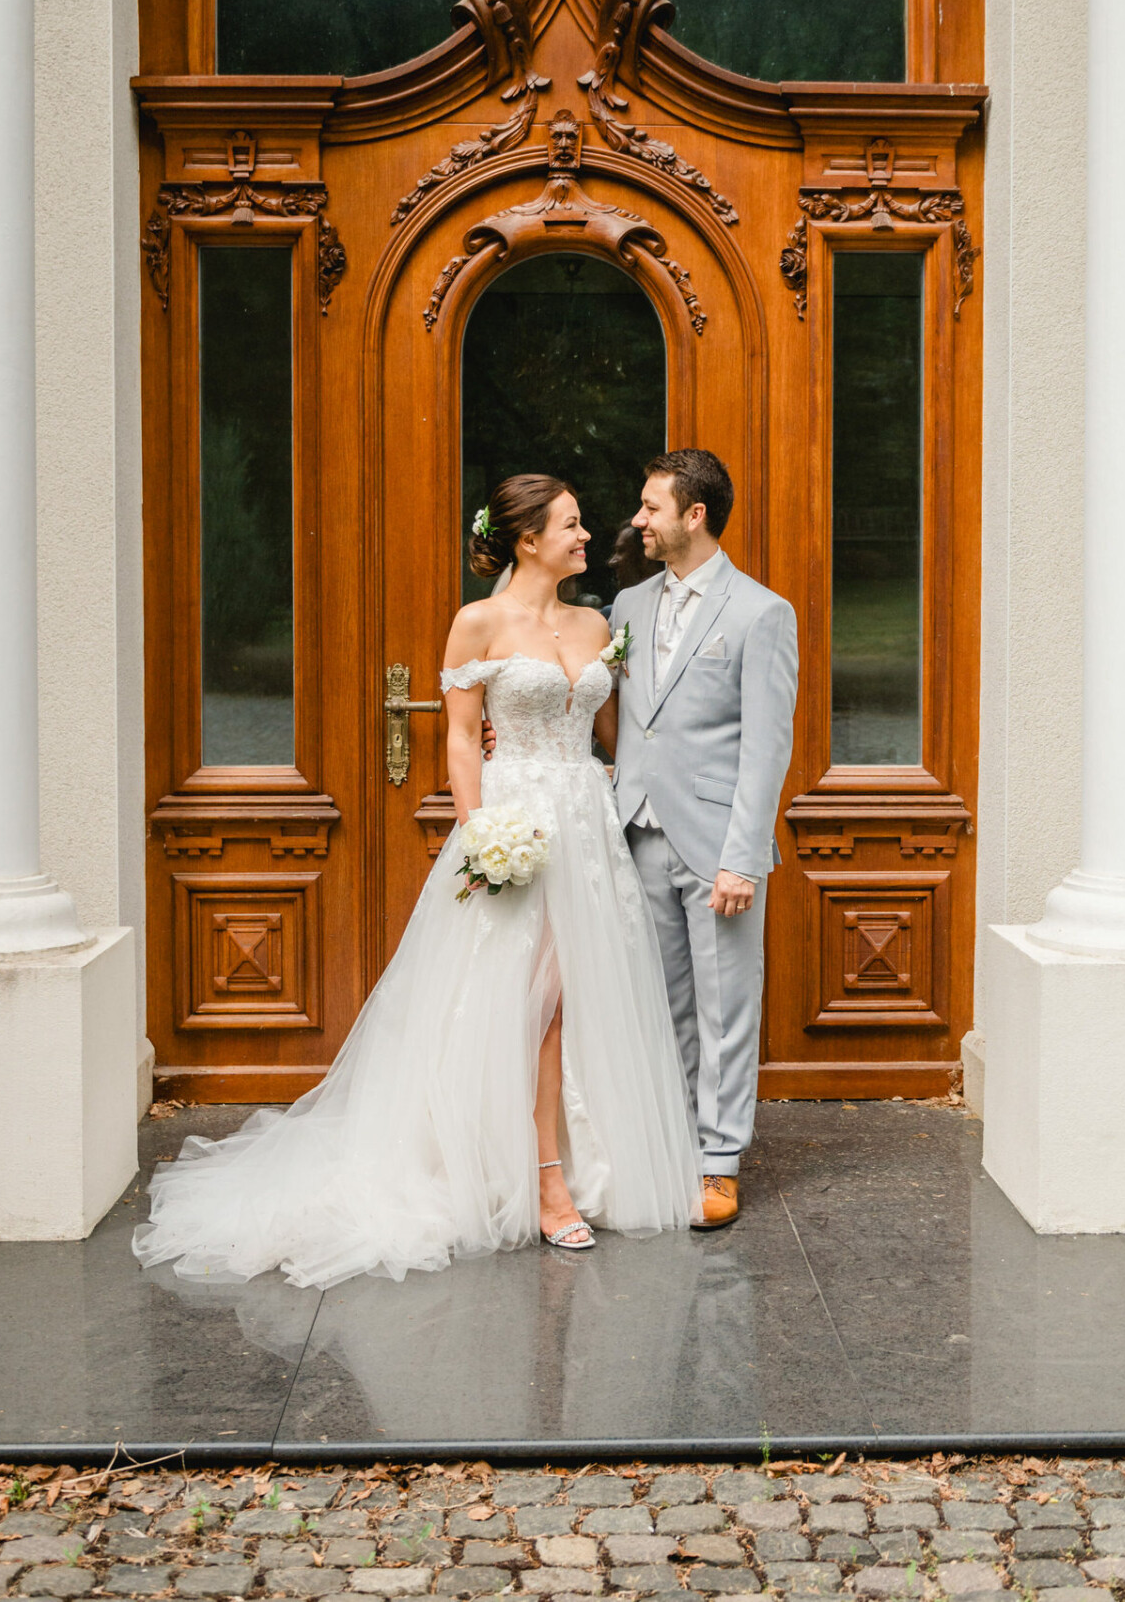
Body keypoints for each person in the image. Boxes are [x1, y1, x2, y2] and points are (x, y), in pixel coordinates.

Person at [133, 474, 700, 1290]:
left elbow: (611, 733)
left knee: (586, 999)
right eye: (571, 526)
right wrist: (480, 835)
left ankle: (582, 1161)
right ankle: (542, 1180)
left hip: (588, 824)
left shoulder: (595, 622)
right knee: (540, 1003)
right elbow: (463, 742)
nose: (587, 536)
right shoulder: (477, 623)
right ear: (528, 539)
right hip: (516, 826)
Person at [610, 450, 798, 1230]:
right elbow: (619, 715)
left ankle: (719, 1162)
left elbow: (767, 746)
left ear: (694, 515)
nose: (638, 520)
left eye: (651, 507)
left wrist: (742, 858)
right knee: (663, 1004)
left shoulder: (761, 613)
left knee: (726, 1007)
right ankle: (672, 1144)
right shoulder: (625, 606)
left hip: (717, 843)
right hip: (638, 831)